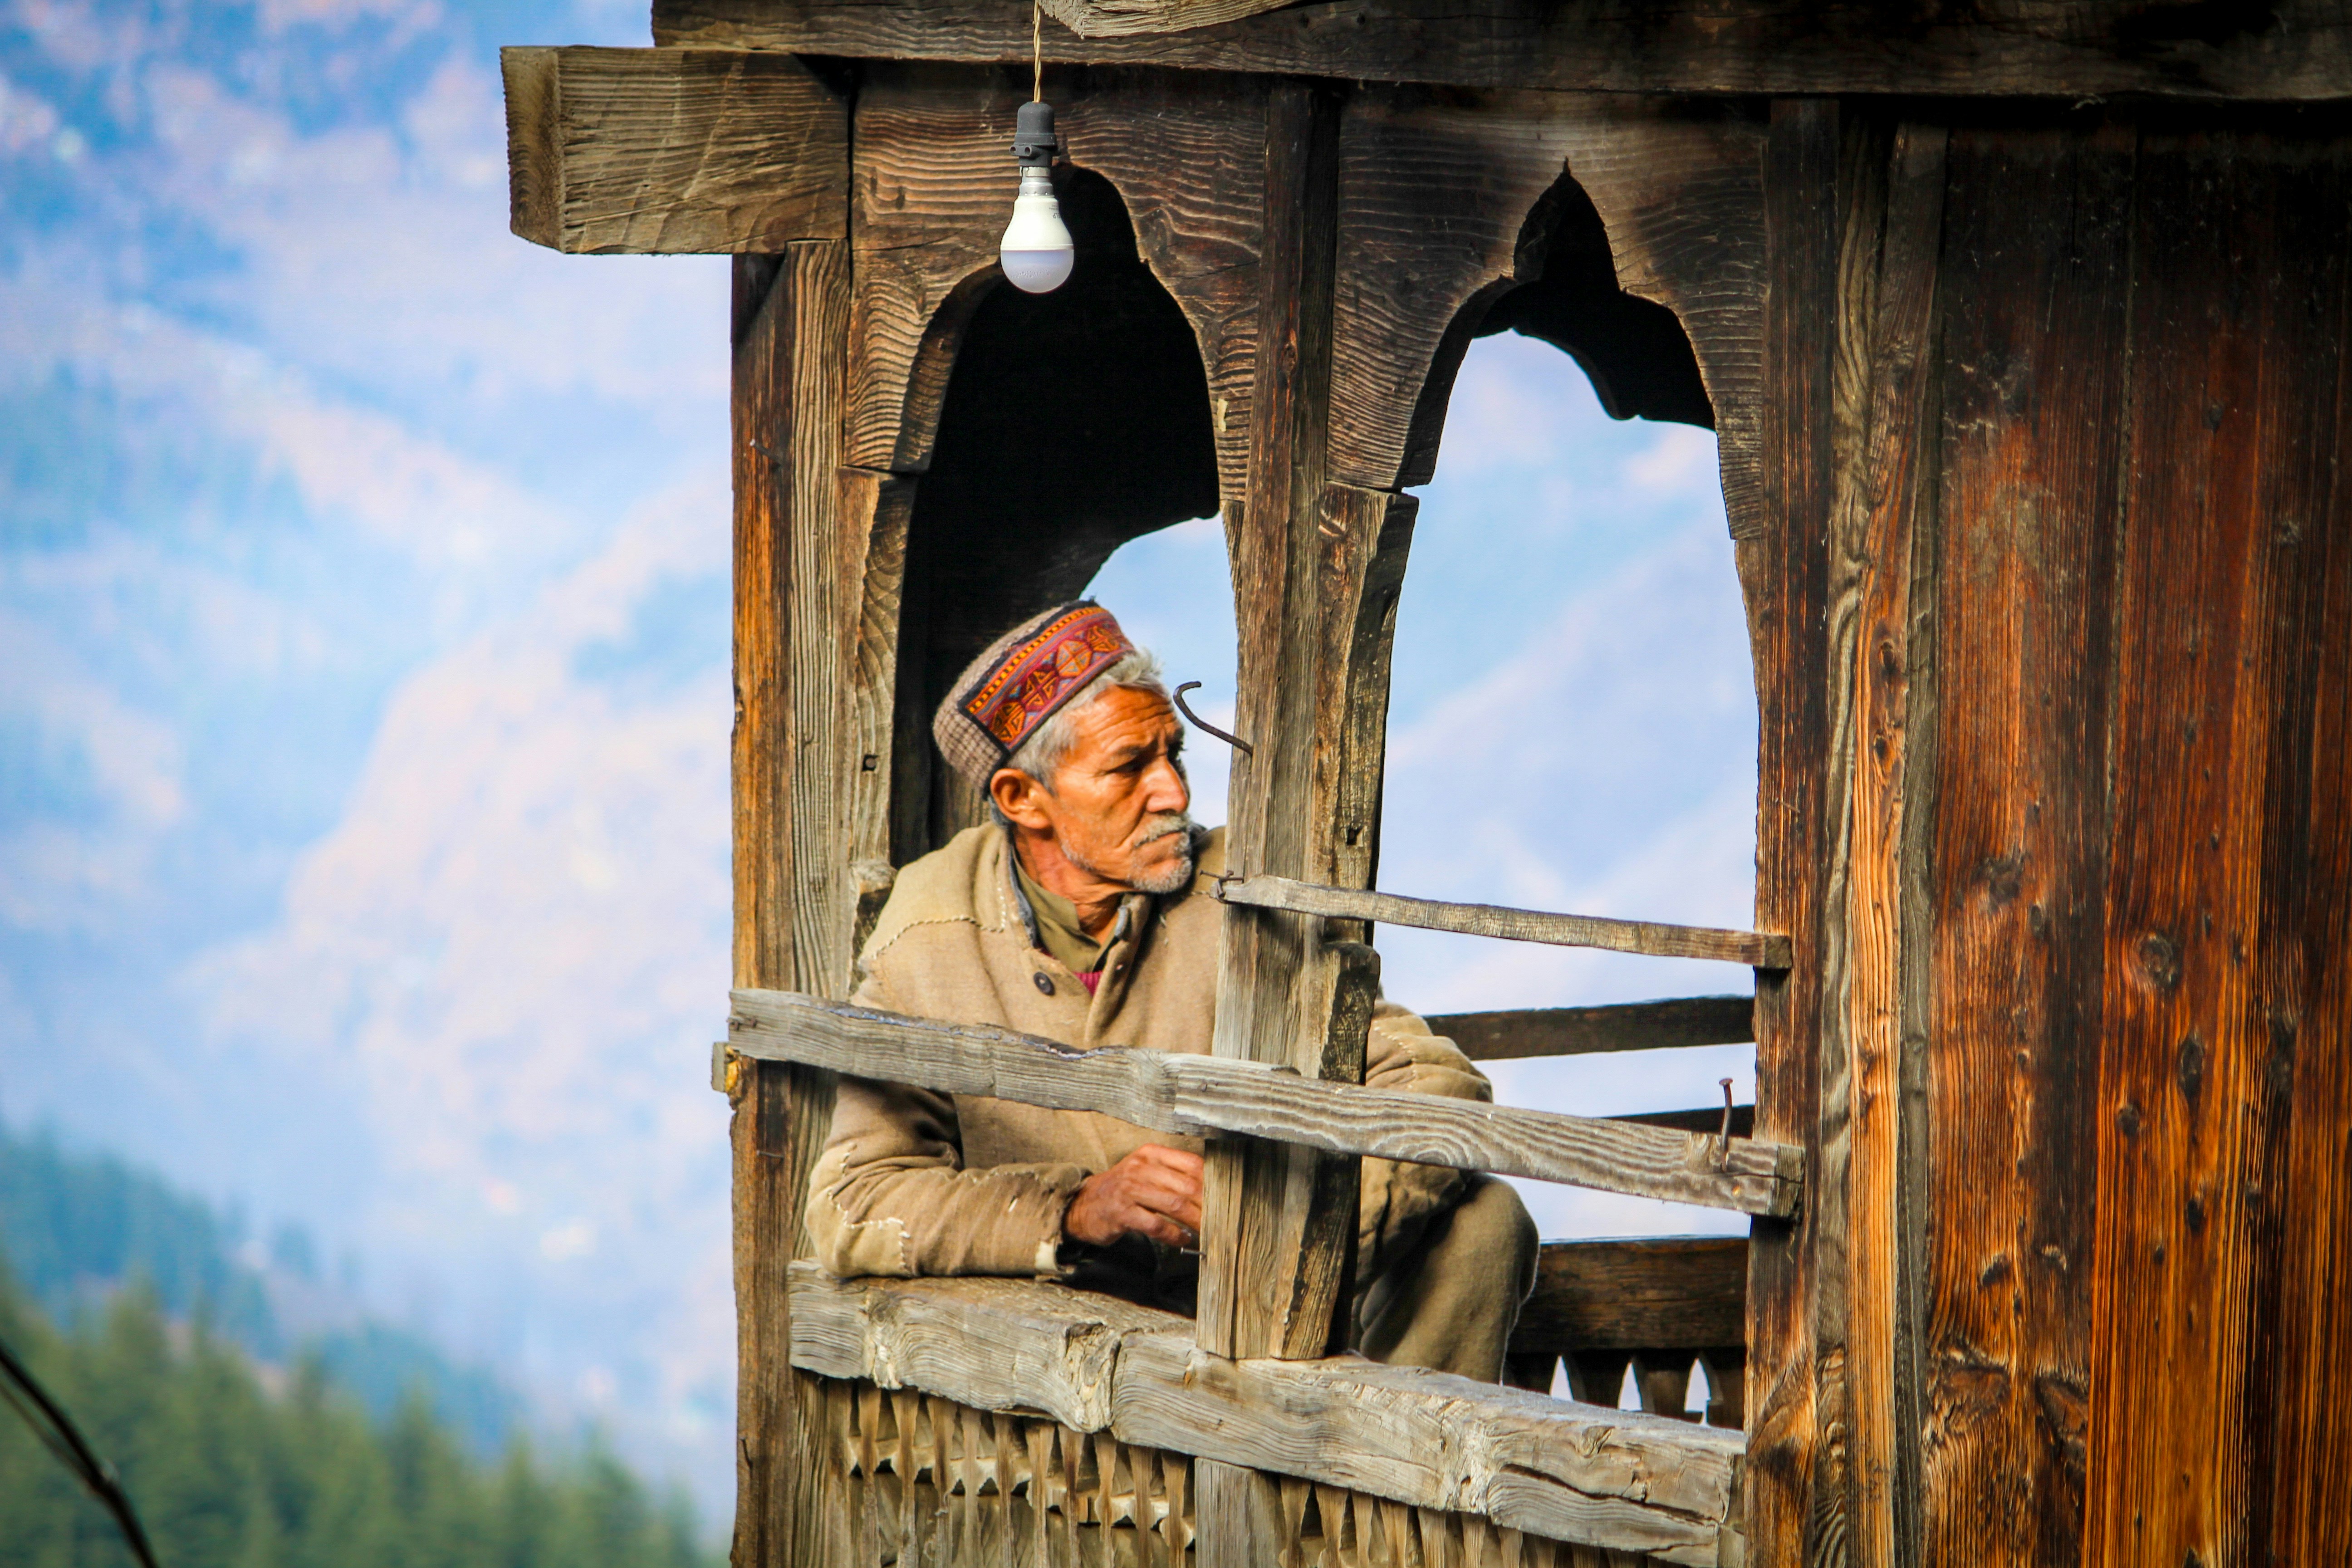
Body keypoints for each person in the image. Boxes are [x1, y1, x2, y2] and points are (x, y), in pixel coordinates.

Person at [805, 601, 1538, 1380]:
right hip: (1069, 1344)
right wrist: (1073, 1209)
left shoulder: (1241, 891)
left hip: (1270, 1320)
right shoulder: (927, 933)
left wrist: (1277, 1238)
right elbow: (855, 1203)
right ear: (1024, 799)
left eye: (1175, 756)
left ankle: (1382, 1493)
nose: (1173, 795)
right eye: (1128, 767)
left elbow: (1435, 1083)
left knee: (1485, 1223)